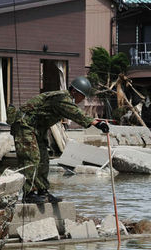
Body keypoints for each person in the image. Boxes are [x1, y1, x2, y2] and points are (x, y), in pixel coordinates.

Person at [7, 76, 109, 204]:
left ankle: (43, 191)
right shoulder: (61, 97)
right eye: (82, 96)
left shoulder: (66, 99)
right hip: (24, 126)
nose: (82, 100)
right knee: (31, 158)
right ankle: (29, 193)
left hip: (38, 129)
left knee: (44, 159)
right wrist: (95, 122)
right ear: (74, 92)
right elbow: (74, 112)